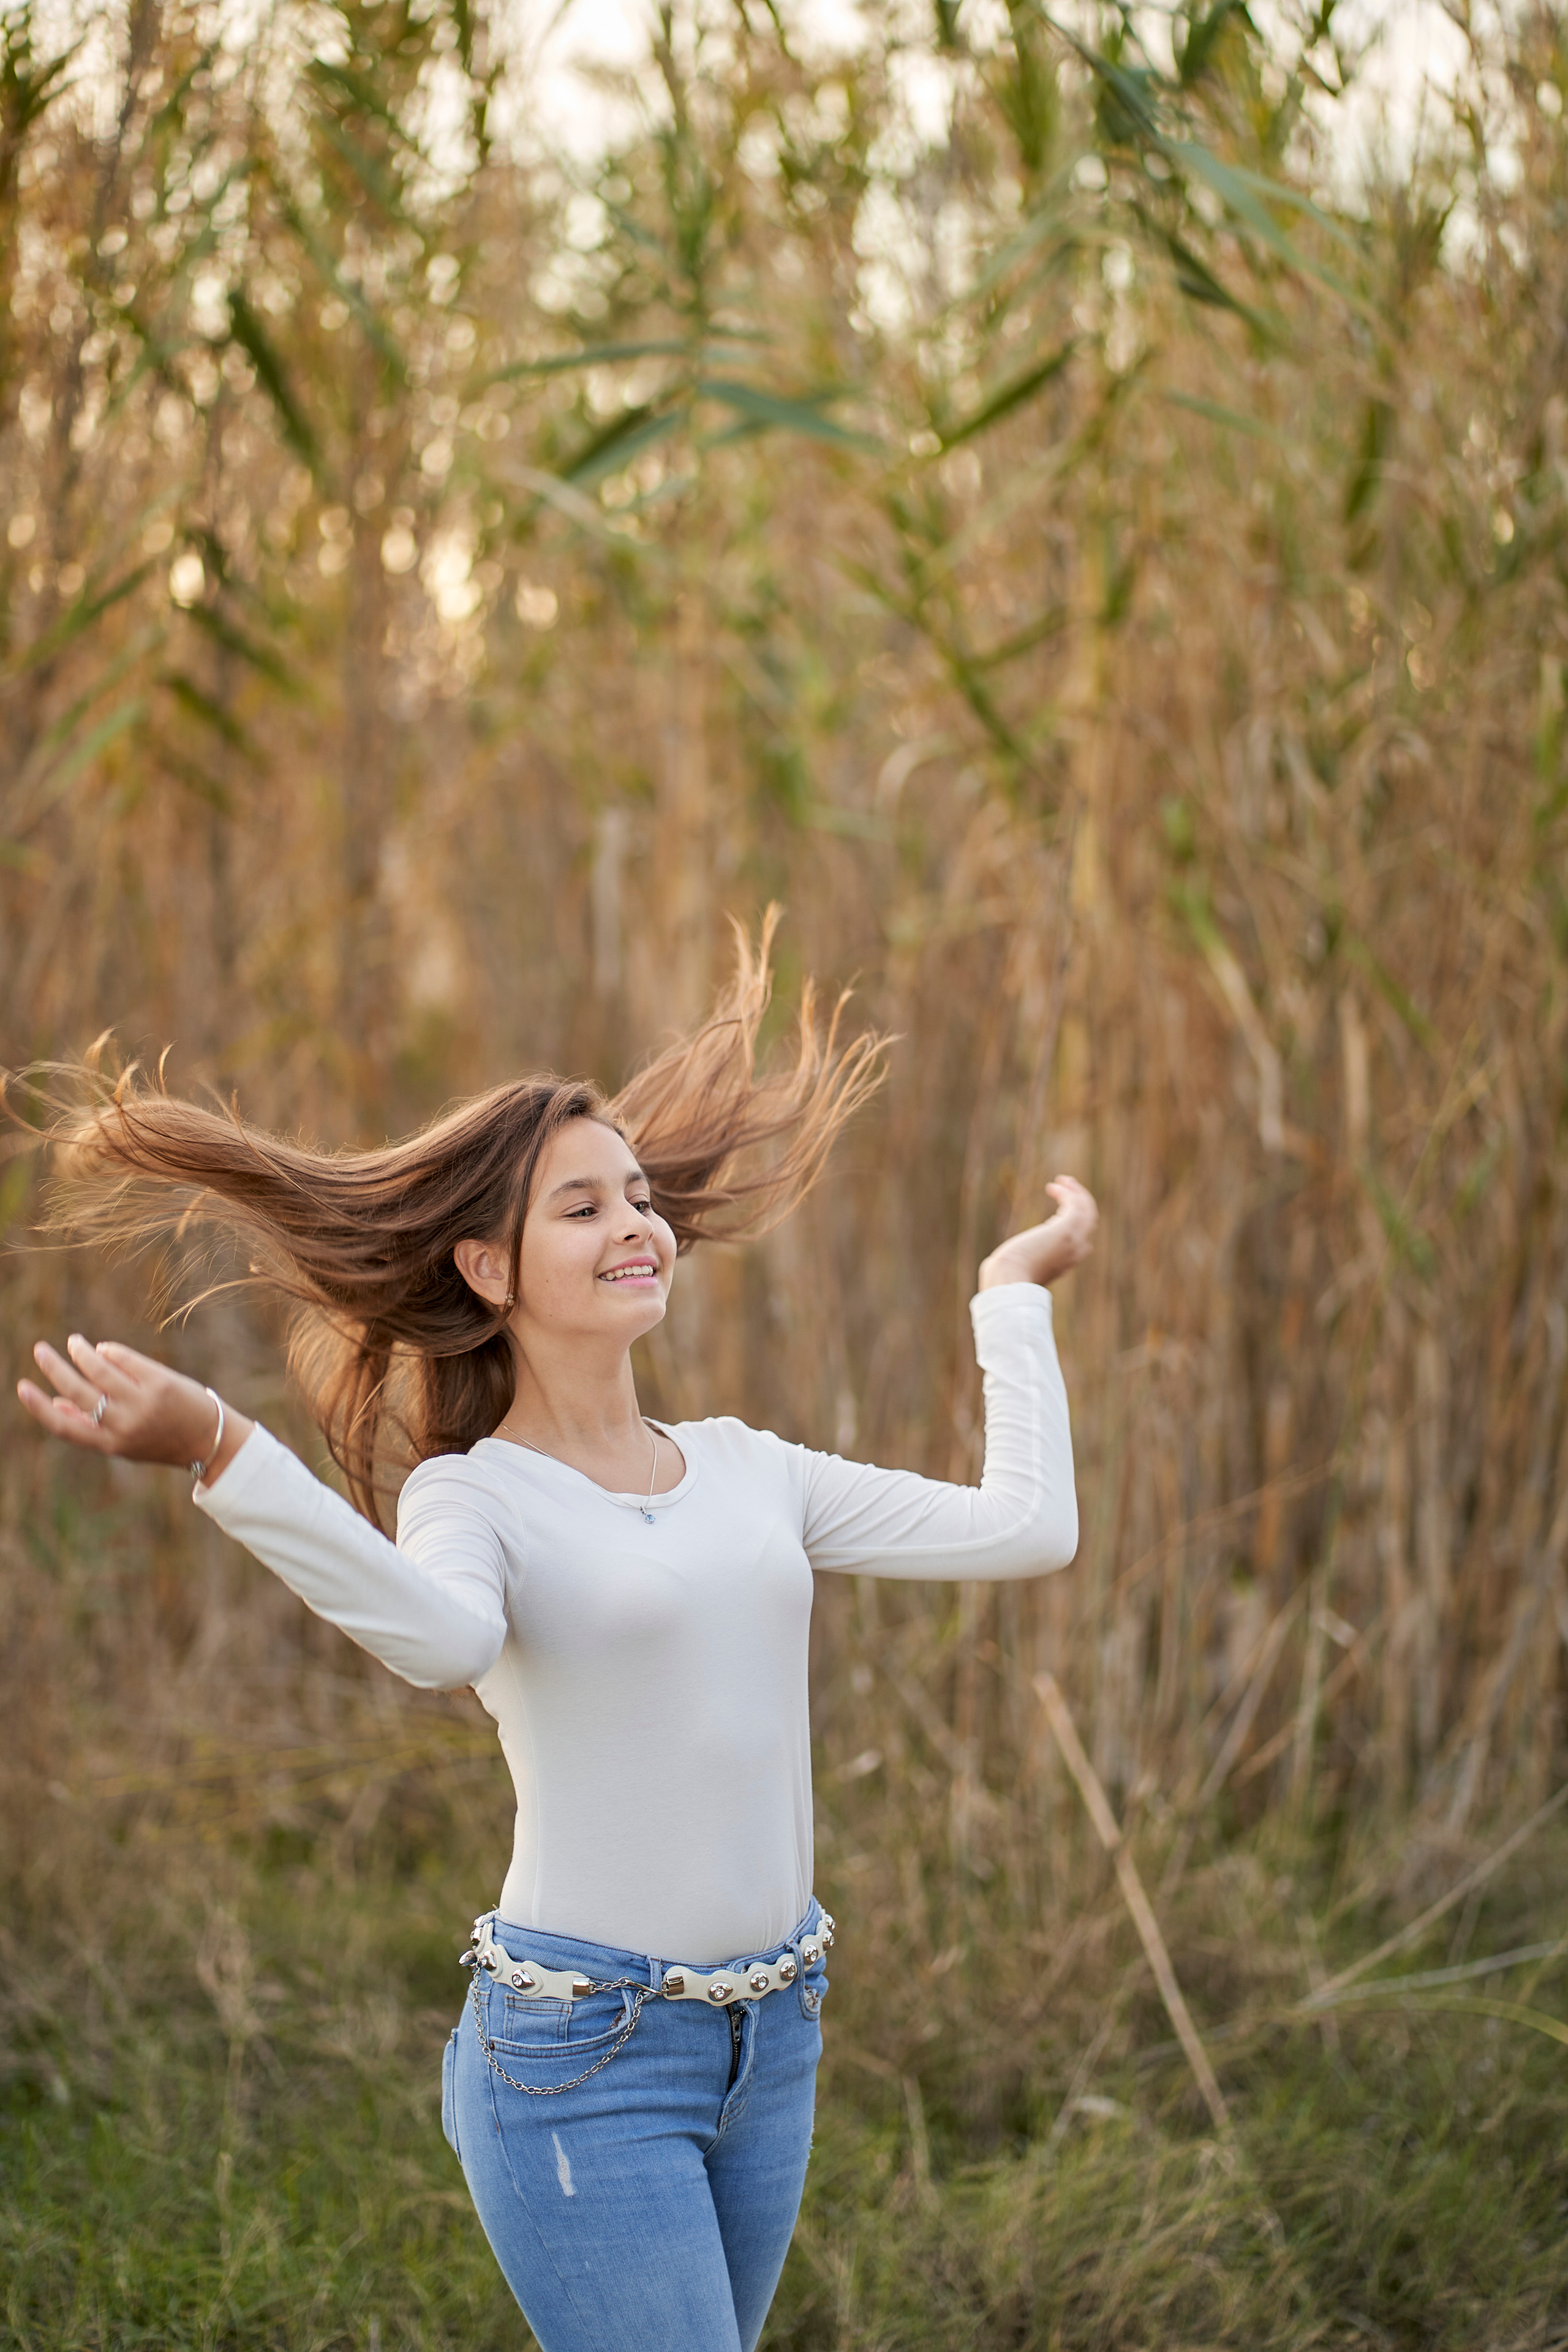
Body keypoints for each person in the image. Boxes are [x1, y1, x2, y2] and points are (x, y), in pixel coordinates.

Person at [13, 925, 1094, 2352]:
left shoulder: (747, 1466)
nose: (634, 1224)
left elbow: (1027, 1529)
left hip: (770, 2041)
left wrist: (1008, 1298)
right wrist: (224, 1449)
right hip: (582, 2063)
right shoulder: (478, 1495)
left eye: (637, 1197)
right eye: (580, 1208)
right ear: (487, 1266)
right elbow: (437, 1641)